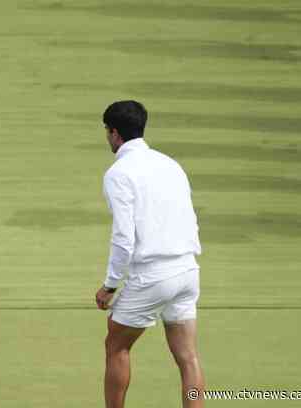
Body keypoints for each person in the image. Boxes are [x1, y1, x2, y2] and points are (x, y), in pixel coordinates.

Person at [95, 101, 205, 407]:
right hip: (187, 270)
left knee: (116, 346)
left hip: (153, 275)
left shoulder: (118, 173)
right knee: (188, 357)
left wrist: (110, 285)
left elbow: (123, 238)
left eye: (107, 131)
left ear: (114, 134)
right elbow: (189, 216)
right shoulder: (171, 164)